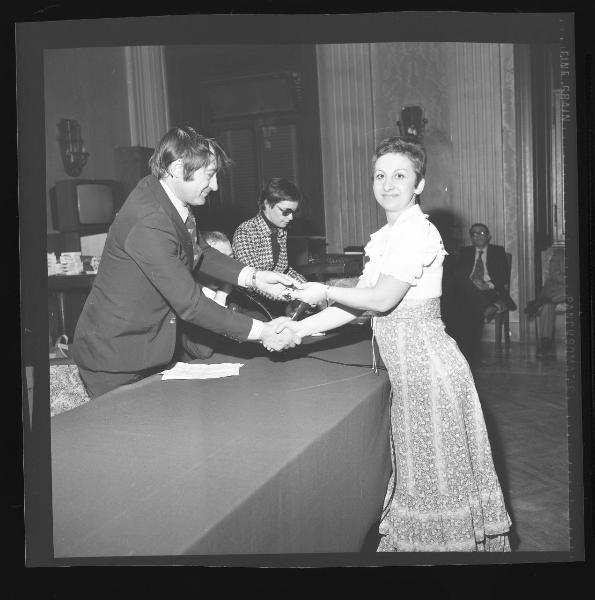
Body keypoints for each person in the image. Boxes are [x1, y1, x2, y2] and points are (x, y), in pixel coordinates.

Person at [278, 136, 511, 552]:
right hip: (412, 380)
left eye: (399, 175)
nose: (388, 184)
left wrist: (325, 290)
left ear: (418, 184)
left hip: (432, 375)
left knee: (438, 485)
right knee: (423, 482)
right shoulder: (387, 236)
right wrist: (298, 329)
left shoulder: (417, 232)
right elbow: (359, 306)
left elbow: (381, 300)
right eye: (380, 176)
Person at [72, 126, 300, 399]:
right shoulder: (150, 221)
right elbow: (191, 306)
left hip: (148, 350)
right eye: (210, 174)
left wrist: (253, 276)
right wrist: (263, 332)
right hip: (115, 358)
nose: (215, 186)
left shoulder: (165, 197)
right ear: (179, 168)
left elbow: (198, 250)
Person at [232, 178, 308, 318]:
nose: (291, 217)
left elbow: (282, 270)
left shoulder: (280, 231)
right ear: (267, 204)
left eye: (293, 212)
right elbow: (254, 281)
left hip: (274, 302)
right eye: (286, 211)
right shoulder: (245, 231)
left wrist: (306, 286)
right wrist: (292, 295)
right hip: (250, 306)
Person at [451, 223, 517, 362]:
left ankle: (471, 350)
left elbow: (503, 275)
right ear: (471, 238)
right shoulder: (465, 252)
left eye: (481, 233)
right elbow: (458, 274)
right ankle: (491, 308)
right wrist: (471, 284)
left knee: (470, 307)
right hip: (470, 290)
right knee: (461, 304)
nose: (478, 236)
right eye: (474, 234)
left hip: (490, 289)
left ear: (488, 236)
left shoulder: (498, 251)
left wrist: (489, 285)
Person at [525, 246, 566, 358]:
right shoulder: (559, 253)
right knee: (547, 306)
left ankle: (539, 302)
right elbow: (554, 274)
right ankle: (545, 343)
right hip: (559, 289)